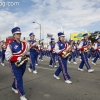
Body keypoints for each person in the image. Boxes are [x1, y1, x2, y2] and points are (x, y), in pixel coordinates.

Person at [5, 22, 30, 100]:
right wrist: (17, 58)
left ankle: (13, 86)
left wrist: (27, 56)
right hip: (14, 64)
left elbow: (27, 52)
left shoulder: (25, 44)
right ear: (14, 35)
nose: (19, 35)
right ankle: (22, 95)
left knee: (18, 77)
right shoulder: (10, 45)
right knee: (19, 79)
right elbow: (7, 56)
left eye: (19, 33)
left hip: (23, 63)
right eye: (17, 34)